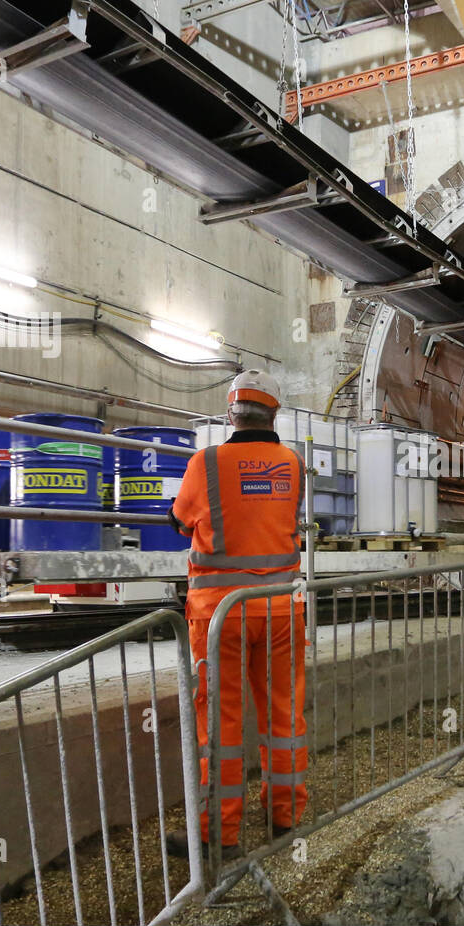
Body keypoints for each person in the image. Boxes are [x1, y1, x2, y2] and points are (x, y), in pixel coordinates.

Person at [165, 369, 307, 863]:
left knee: (220, 728)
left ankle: (219, 835)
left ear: (231, 412)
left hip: (220, 616)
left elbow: (181, 520)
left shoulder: (205, 463)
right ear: (275, 412)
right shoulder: (293, 464)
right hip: (282, 613)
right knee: (283, 713)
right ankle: (285, 816)